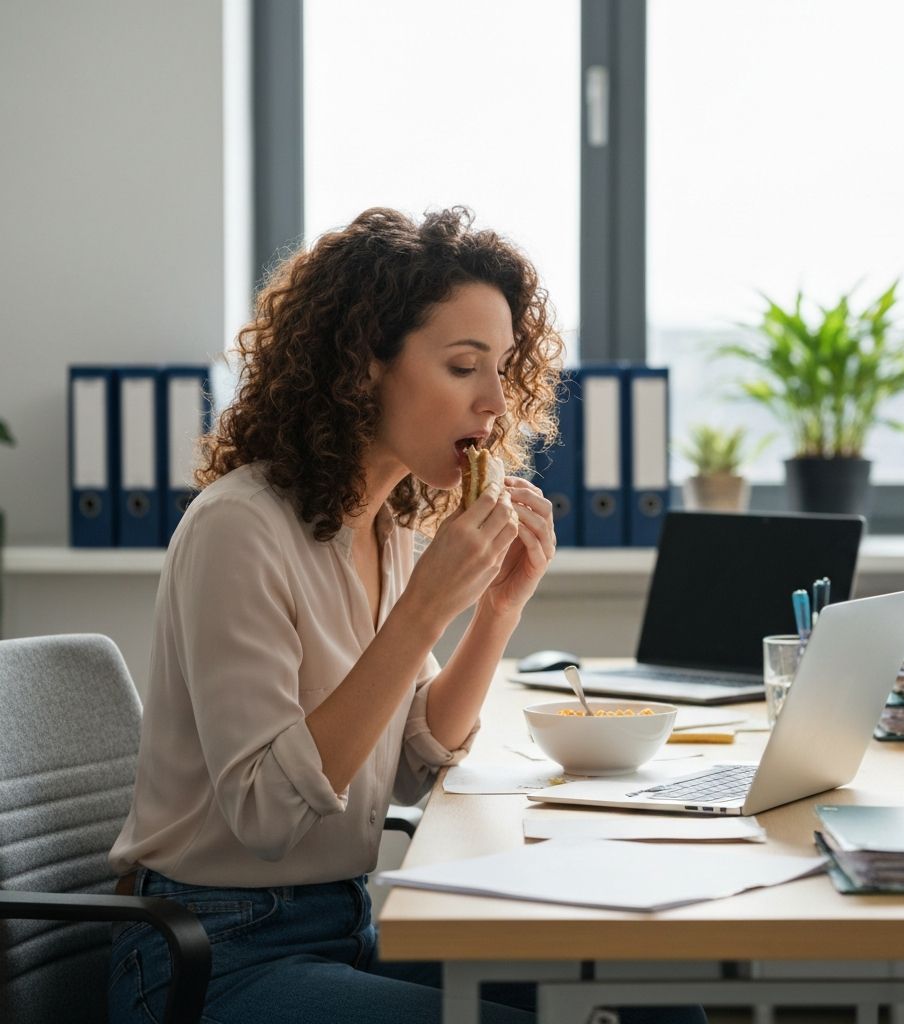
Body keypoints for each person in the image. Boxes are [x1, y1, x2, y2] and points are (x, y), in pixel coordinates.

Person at [107, 206, 706, 1024]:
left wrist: (495, 610)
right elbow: (268, 815)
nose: (497, 401)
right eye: (465, 366)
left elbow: (414, 760)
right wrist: (424, 610)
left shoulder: (384, 527)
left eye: (502, 368)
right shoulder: (237, 529)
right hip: (209, 956)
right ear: (362, 368)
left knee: (649, 1001)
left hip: (344, 926)